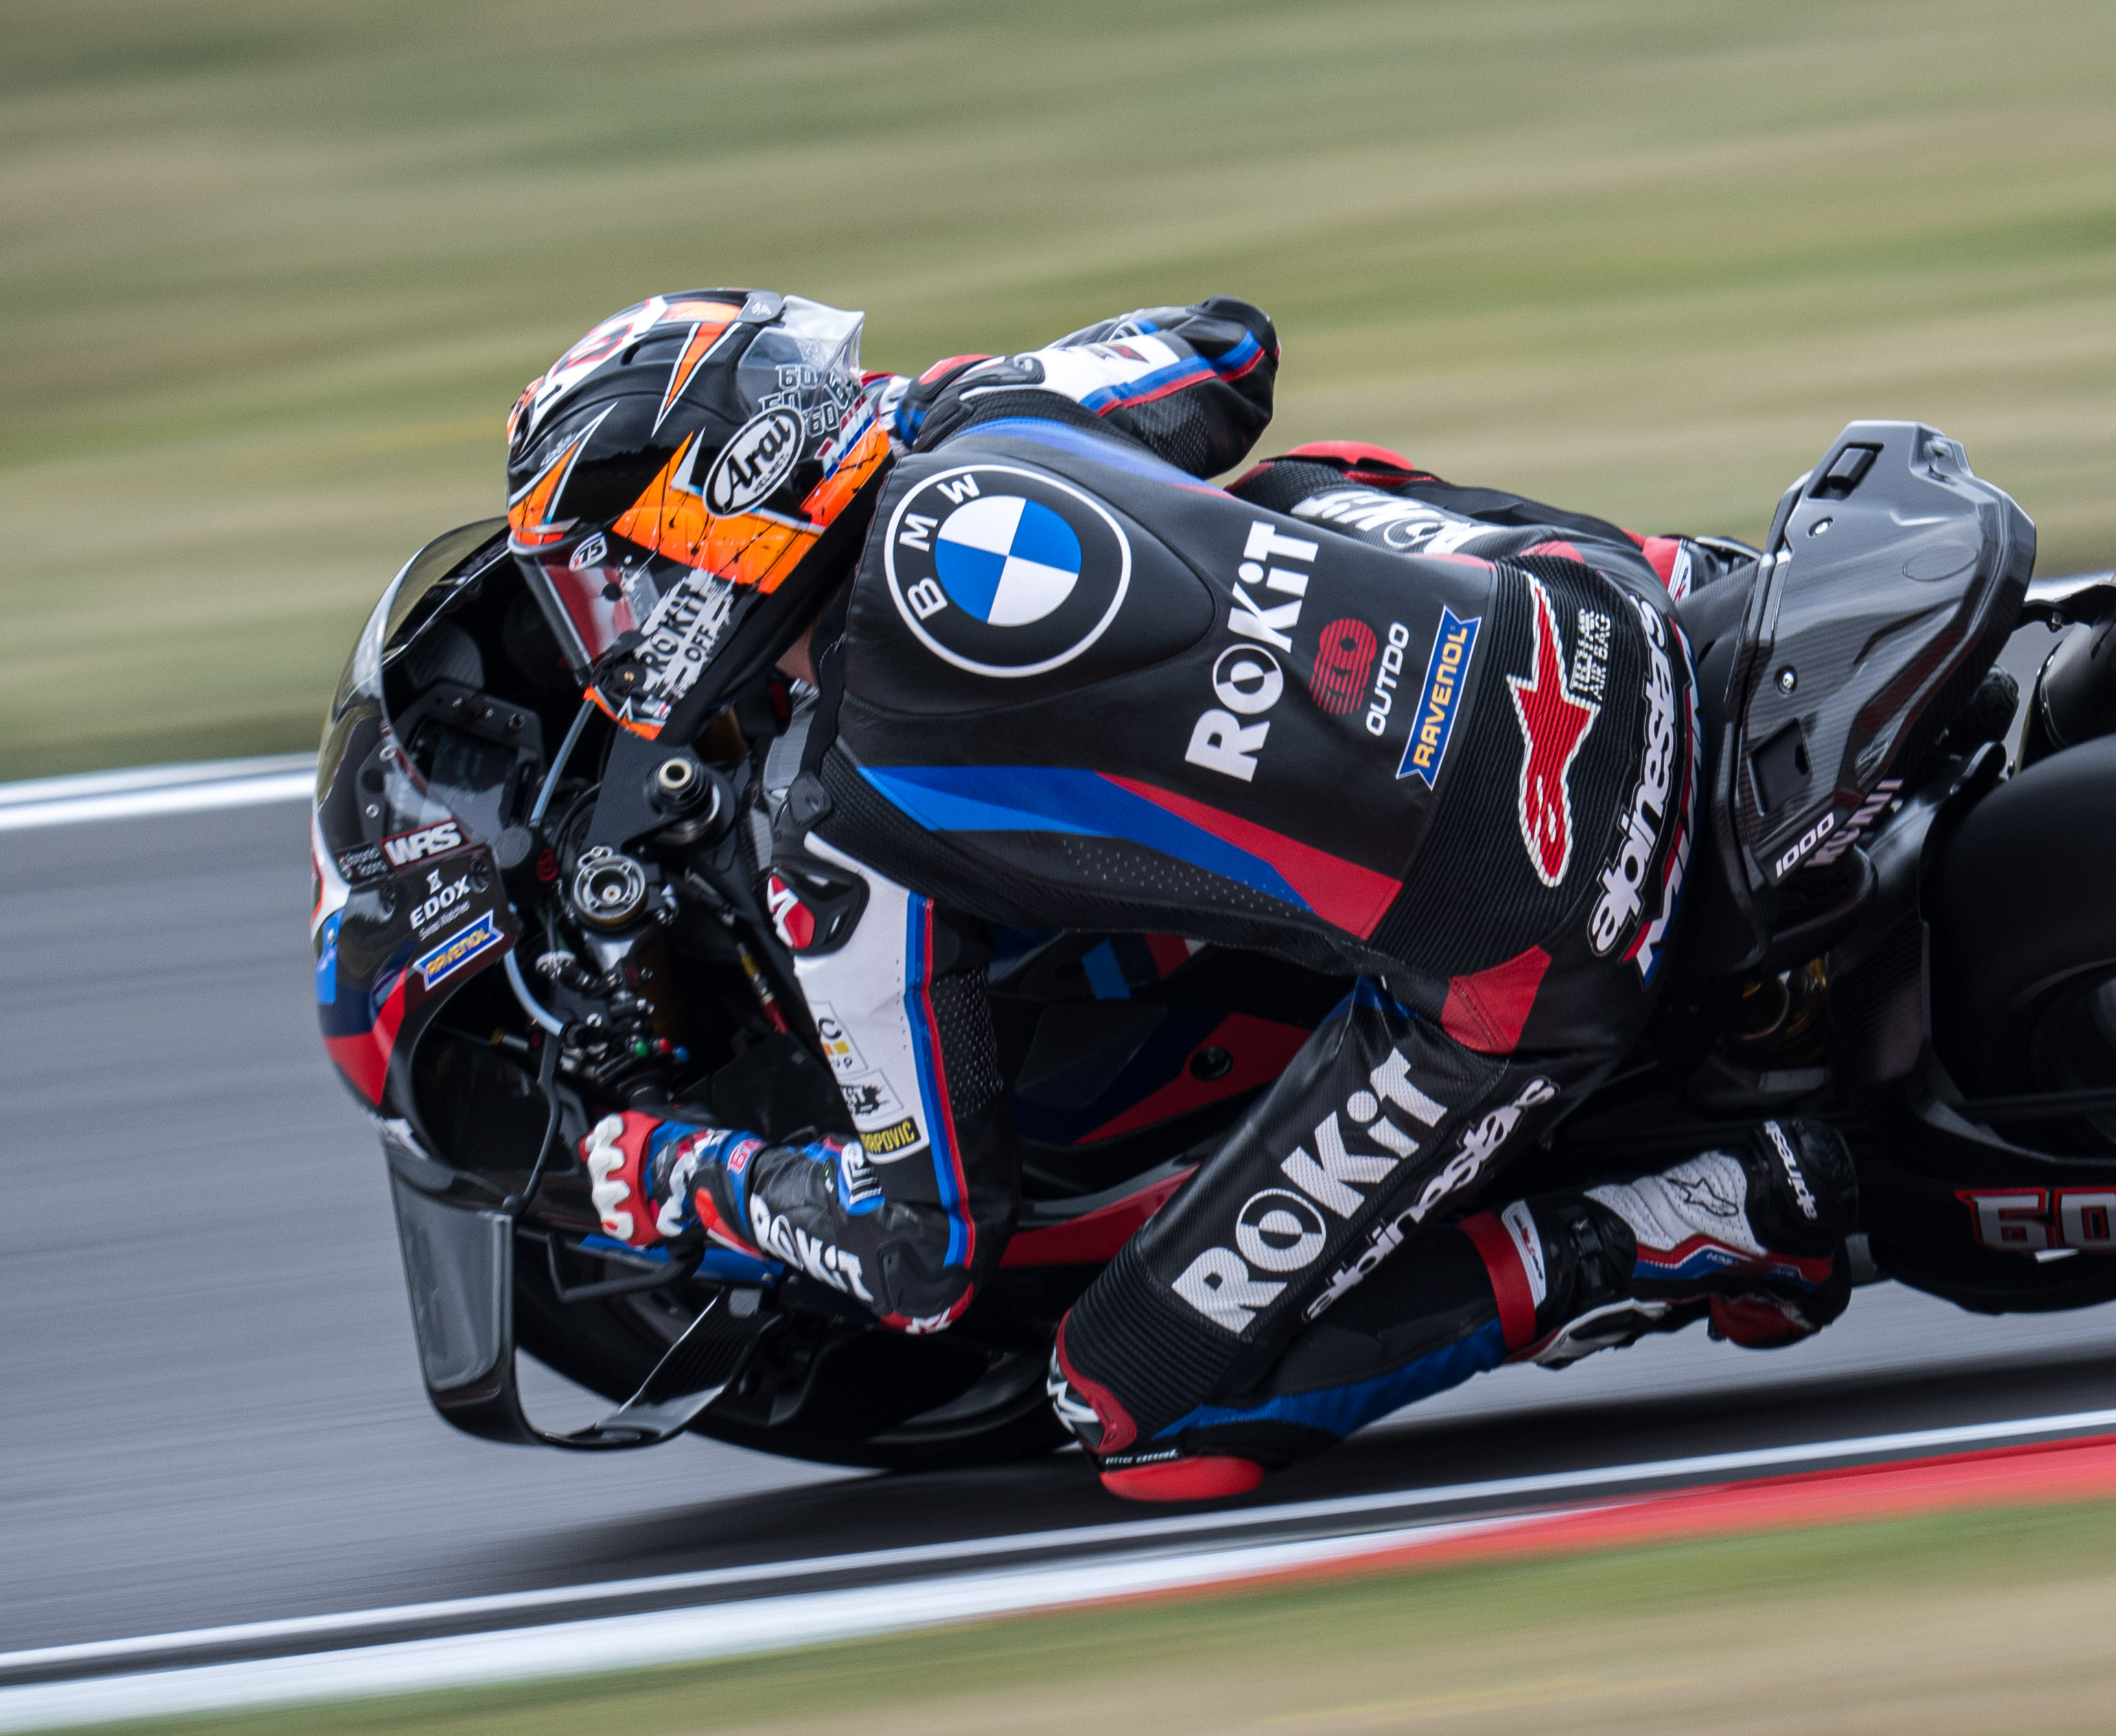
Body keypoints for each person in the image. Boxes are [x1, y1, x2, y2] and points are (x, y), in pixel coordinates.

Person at [507, 288, 1853, 1503]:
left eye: (615, 570)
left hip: (1543, 931)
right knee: (1296, 488)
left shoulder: (839, 827)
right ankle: (1711, 582)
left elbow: (927, 1254)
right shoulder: (992, 410)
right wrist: (955, 403)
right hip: (1608, 620)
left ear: (728, 502)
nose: (610, 621)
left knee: (1130, 1406)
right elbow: (1231, 348)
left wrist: (678, 1176)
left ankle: (1695, 1221)